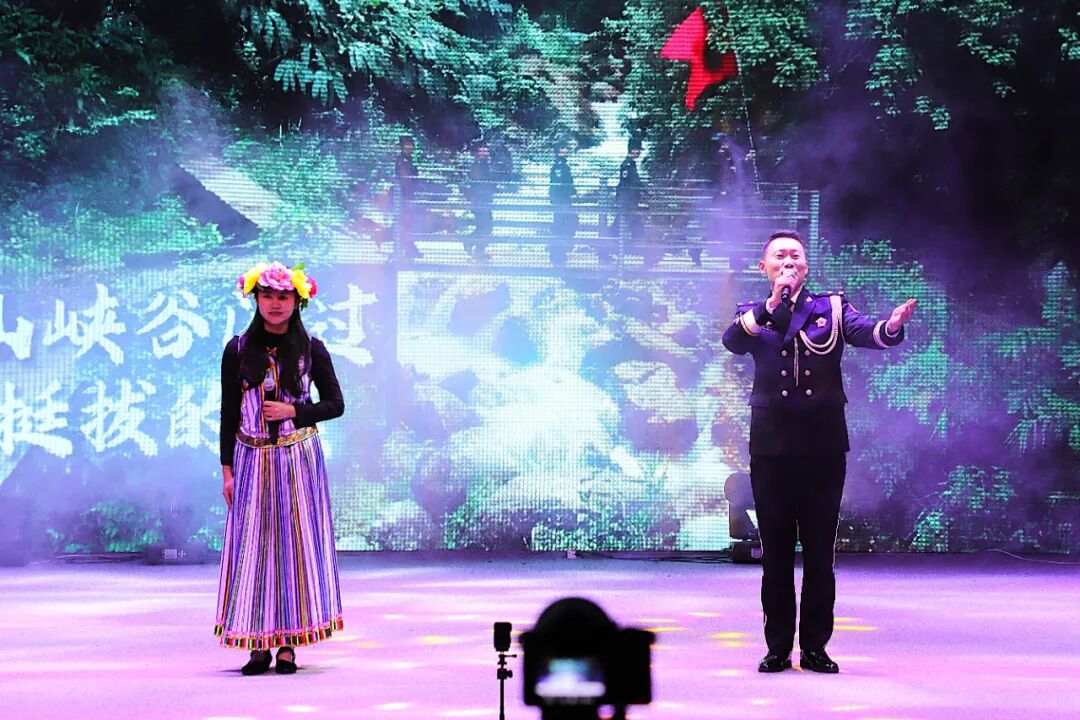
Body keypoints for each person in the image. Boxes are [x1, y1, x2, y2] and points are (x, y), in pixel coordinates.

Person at [721, 231, 916, 674]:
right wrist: (773, 304)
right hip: (771, 448)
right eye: (779, 257)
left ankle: (815, 647)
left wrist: (892, 325)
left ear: (806, 266)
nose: (788, 262)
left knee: (819, 554)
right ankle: (777, 648)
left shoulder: (832, 307)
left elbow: (869, 333)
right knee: (775, 553)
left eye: (795, 256)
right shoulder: (753, 314)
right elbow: (732, 341)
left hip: (823, 447)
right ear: (765, 268)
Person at [216, 260, 346, 675]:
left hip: (297, 459)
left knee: (294, 548)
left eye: (284, 297)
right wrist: (227, 470)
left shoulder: (311, 349)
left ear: (297, 302)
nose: (275, 304)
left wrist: (295, 411)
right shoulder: (238, 349)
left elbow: (336, 404)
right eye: (268, 296)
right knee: (254, 547)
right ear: (256, 299)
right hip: (251, 457)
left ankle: (289, 643)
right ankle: (257, 643)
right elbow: (228, 412)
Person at [393, 135, 423, 259]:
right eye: (407, 145)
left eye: (411, 144)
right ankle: (404, 249)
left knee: (407, 223)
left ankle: (407, 248)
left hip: (407, 195)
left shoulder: (409, 160)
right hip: (403, 197)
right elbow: (405, 179)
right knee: (403, 223)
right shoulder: (402, 160)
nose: (410, 147)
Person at [548, 139, 577, 266]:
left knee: (563, 224)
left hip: (563, 200)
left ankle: (559, 252)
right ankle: (557, 253)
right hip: (561, 201)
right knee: (562, 225)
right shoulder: (559, 166)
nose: (566, 150)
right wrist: (570, 190)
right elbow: (560, 184)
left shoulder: (562, 165)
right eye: (564, 148)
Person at [465, 140, 494, 260]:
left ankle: (478, 250)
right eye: (481, 150)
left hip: (484, 200)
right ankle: (472, 245)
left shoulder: (485, 165)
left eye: (486, 150)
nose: (484, 152)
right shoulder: (477, 166)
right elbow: (478, 183)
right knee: (485, 227)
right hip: (479, 200)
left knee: (485, 227)